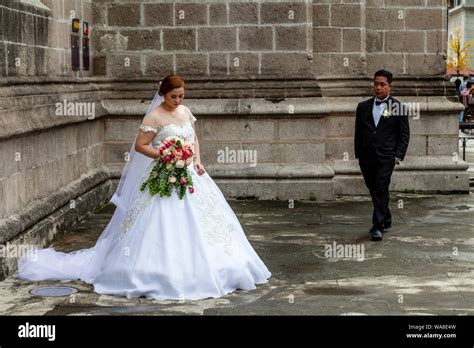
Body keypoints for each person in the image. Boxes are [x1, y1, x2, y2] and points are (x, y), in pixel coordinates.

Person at [16, 74, 271, 300]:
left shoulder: (185, 112)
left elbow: (193, 138)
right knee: (158, 220)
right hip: (164, 173)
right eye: (173, 97)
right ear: (162, 94)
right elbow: (141, 146)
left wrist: (197, 160)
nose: (178, 101)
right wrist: (165, 155)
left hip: (191, 173)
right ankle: (154, 271)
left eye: (181, 96)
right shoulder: (154, 116)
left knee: (211, 222)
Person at [354, 69, 410, 241]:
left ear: (389, 86)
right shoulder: (363, 107)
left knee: (380, 187)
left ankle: (378, 226)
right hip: (366, 157)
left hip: (386, 157)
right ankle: (386, 218)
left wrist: (398, 155)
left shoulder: (398, 107)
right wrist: (358, 153)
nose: (378, 88)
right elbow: (358, 132)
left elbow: (404, 134)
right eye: (376, 84)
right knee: (374, 188)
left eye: (382, 85)